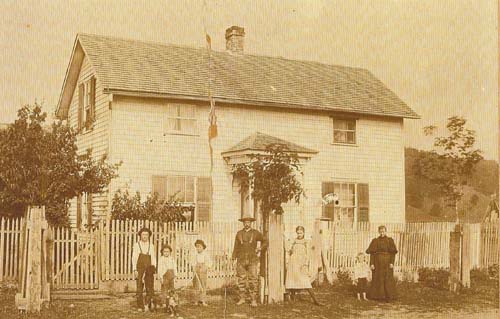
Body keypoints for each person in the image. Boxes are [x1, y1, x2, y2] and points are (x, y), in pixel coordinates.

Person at [232, 215, 267, 307]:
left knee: (253, 279)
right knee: (241, 279)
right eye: (245, 222)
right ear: (243, 223)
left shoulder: (256, 233)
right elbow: (236, 247)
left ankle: (253, 300)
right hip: (241, 259)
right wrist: (233, 258)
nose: (246, 224)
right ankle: (242, 298)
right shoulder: (239, 233)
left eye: (248, 222)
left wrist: (260, 248)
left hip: (253, 259)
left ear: (251, 223)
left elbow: (265, 241)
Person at [285, 226, 322, 306]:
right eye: (298, 233)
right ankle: (292, 298)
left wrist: (306, 263)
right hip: (293, 262)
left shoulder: (306, 242)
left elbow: (308, 254)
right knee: (292, 279)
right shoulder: (294, 241)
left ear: (304, 233)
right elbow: (289, 250)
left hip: (302, 263)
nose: (299, 234)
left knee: (306, 281)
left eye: (301, 233)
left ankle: (315, 300)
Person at [366, 225, 398, 302]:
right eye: (380, 232)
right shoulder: (375, 241)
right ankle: (378, 296)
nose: (382, 233)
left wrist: (391, 263)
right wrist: (372, 264)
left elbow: (392, 253)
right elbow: (372, 254)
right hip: (377, 263)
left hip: (387, 263)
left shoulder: (390, 241)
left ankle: (389, 296)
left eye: (383, 231)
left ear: (386, 231)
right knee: (378, 278)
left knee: (387, 279)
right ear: (378, 232)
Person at [132, 227, 157, 311]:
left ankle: (148, 305)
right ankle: (140, 306)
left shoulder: (151, 245)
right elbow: (134, 258)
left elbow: (153, 258)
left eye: (146, 234)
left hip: (149, 269)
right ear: (140, 235)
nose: (145, 236)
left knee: (149, 287)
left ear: (149, 236)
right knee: (139, 287)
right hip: (140, 268)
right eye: (143, 234)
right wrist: (134, 269)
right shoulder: (137, 245)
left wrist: (153, 268)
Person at [191, 239, 211, 306]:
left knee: (203, 285)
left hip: (203, 270)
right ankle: (196, 300)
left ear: (203, 247)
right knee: (196, 285)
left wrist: (206, 267)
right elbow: (192, 262)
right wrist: (194, 267)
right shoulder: (195, 254)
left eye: (199, 247)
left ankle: (203, 301)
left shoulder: (205, 254)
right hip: (196, 270)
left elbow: (209, 262)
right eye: (197, 247)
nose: (198, 248)